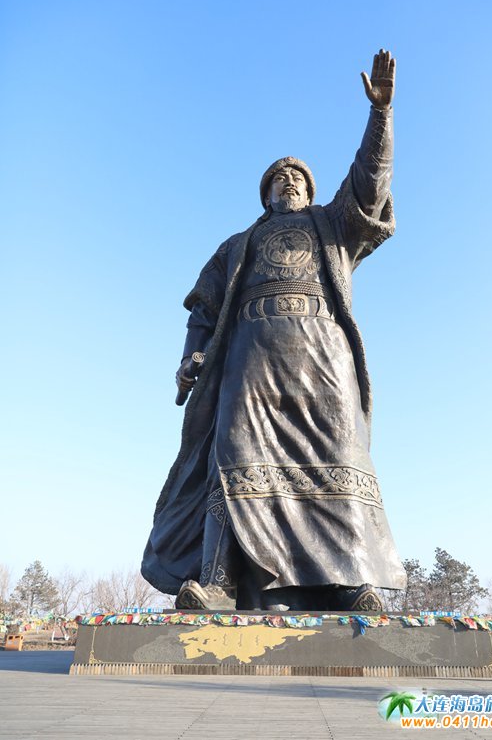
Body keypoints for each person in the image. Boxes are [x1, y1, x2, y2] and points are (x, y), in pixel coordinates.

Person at [142, 49, 407, 611]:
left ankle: (351, 582)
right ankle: (219, 582)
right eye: (278, 178)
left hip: (322, 359)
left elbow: (369, 181)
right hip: (249, 363)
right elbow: (203, 311)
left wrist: (380, 115)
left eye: (298, 177)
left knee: (338, 455)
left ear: (310, 191)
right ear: (264, 195)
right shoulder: (236, 246)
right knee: (233, 457)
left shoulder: (334, 225)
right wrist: (191, 356)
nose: (288, 180)